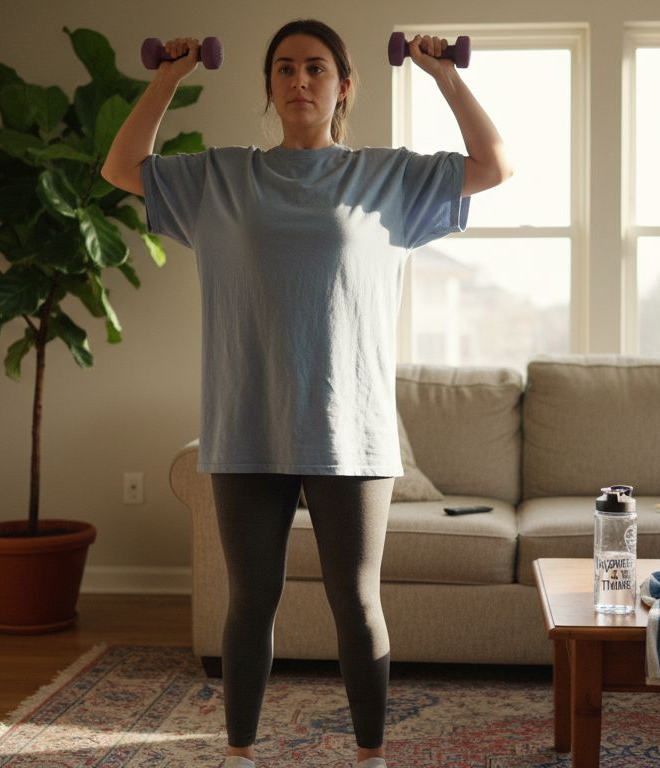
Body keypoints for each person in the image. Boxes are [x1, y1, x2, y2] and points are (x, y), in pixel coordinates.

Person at [102, 18, 511, 768]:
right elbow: (123, 167)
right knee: (251, 601)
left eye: (316, 68)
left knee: (355, 602)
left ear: (343, 86)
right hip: (245, 427)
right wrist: (167, 78)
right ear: (269, 86)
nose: (300, 80)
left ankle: (370, 757)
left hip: (349, 431)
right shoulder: (221, 179)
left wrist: (444, 75)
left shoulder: (388, 178)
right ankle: (238, 753)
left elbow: (492, 165)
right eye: (285, 68)